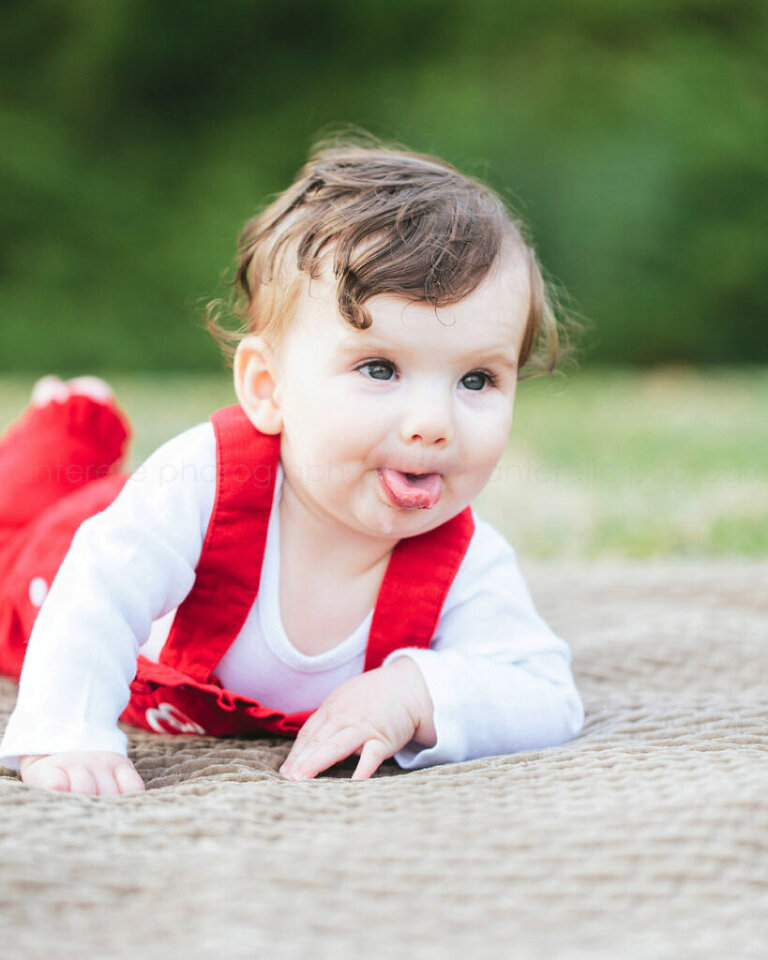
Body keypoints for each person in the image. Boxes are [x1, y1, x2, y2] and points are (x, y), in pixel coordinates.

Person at [0, 138, 584, 796]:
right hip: (51, 569)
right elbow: (99, 589)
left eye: (477, 379)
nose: (435, 422)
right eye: (380, 368)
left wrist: (413, 692)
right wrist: (65, 731)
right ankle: (64, 429)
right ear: (268, 387)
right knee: (18, 525)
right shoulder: (206, 482)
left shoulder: (463, 561)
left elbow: (546, 694)